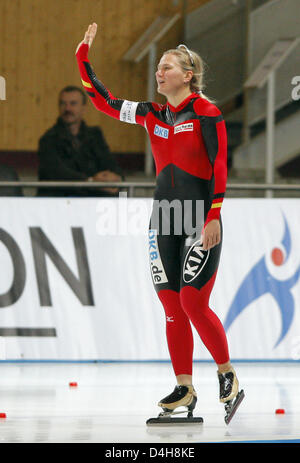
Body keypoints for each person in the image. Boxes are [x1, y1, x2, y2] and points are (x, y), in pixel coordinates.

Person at [75, 23, 244, 424]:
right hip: (162, 218)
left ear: (187, 75)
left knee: (192, 301)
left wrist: (215, 213)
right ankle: (184, 386)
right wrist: (82, 56)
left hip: (199, 216)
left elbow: (220, 164)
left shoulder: (206, 111)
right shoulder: (151, 114)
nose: (159, 73)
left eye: (166, 67)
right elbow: (103, 101)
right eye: (159, 68)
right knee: (171, 306)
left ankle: (227, 375)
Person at [37, 85, 122, 197]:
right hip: (60, 200)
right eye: (63, 104)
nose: (67, 109)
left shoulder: (95, 135)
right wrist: (91, 181)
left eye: (73, 104)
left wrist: (116, 177)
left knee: (120, 194)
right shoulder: (48, 139)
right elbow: (57, 172)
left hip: (92, 198)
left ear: (84, 108)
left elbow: (108, 162)